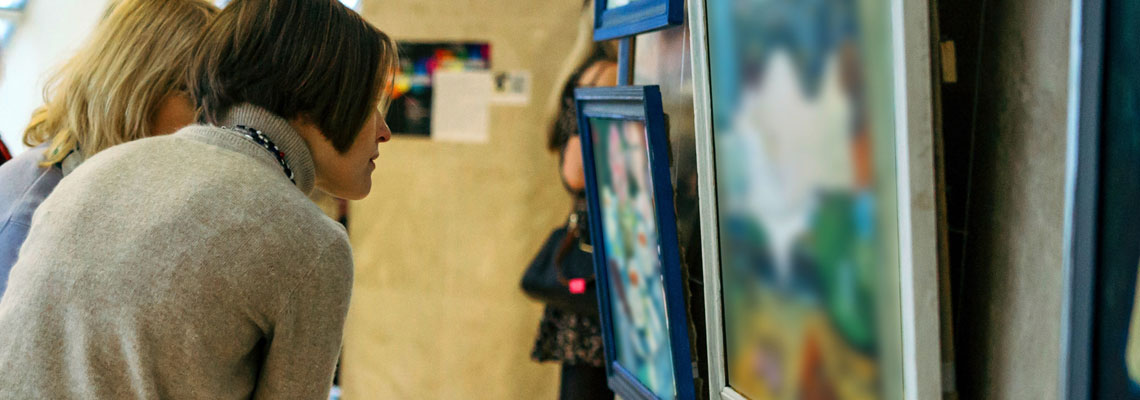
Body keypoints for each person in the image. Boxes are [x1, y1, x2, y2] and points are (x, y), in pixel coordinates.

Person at [0, 0, 396, 398]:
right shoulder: (313, 245)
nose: (384, 130)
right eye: (370, 103)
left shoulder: (98, 168)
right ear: (321, 94)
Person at [0, 0, 218, 295]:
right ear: (135, 87)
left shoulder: (90, 177)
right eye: (196, 96)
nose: (211, 121)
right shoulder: (33, 216)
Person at [522, 42, 618, 400]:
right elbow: (576, 173)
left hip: (593, 250)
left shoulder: (587, 68)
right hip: (600, 253)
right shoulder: (604, 73)